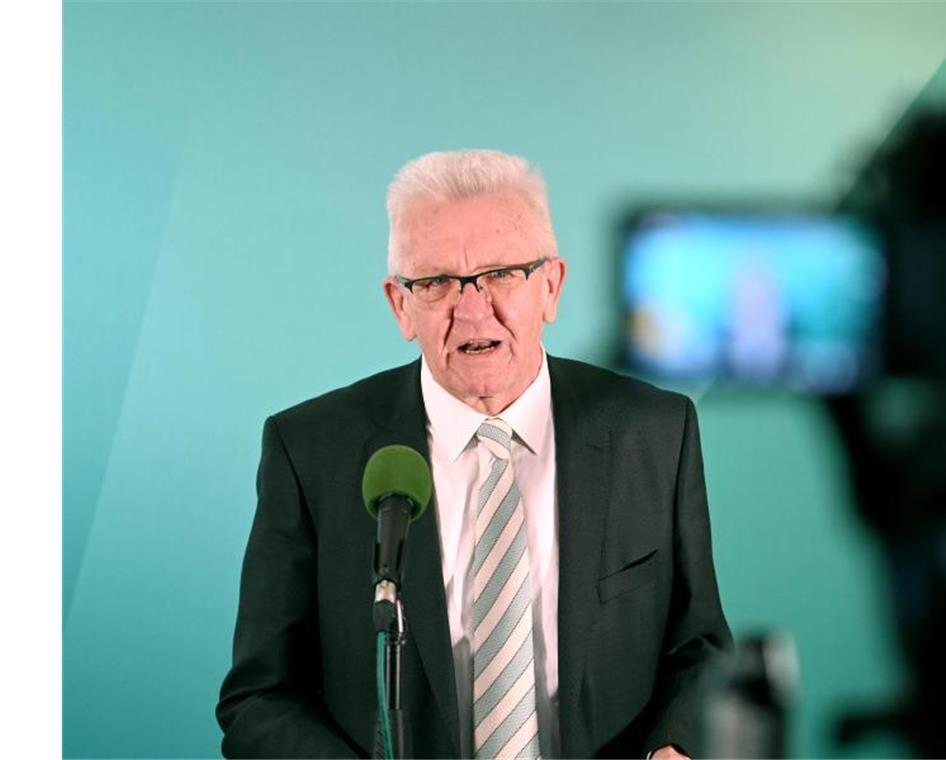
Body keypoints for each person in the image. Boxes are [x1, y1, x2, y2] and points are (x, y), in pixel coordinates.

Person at [217, 149, 732, 759]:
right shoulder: (310, 450)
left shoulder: (654, 430)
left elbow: (700, 650)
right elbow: (260, 698)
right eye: (435, 282)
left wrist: (676, 749)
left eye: (501, 273)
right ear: (399, 304)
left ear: (550, 286)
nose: (471, 308)